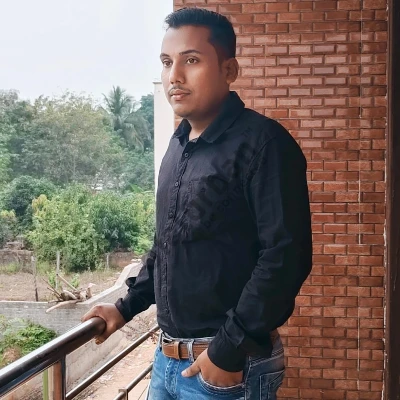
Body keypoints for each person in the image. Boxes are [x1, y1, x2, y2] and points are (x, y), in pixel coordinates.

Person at [82, 7, 312, 400]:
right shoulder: (178, 146)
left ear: (229, 70)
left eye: (191, 60)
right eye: (166, 62)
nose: (174, 76)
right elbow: (167, 246)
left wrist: (228, 349)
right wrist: (124, 307)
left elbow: (286, 256)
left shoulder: (264, 143)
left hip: (225, 368)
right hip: (166, 360)